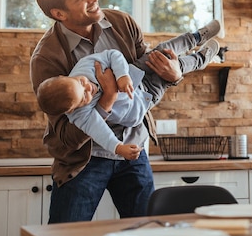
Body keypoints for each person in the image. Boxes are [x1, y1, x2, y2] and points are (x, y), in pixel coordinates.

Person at [30, 0, 220, 222]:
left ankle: (199, 49)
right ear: (59, 13)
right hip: (84, 162)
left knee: (146, 234)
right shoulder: (47, 58)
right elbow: (65, 137)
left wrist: (174, 75)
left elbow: (149, 70)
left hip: (134, 151)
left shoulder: (120, 22)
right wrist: (106, 100)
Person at [36, 35, 220, 157]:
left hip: (134, 74)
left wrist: (122, 76)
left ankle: (195, 36)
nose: (89, 89)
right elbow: (101, 132)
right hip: (143, 99)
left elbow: (112, 55)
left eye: (81, 83)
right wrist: (119, 148)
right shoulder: (80, 116)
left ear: (65, 77)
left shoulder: (82, 67)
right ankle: (202, 58)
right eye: (84, 97)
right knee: (175, 67)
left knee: (161, 53)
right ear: (71, 110)